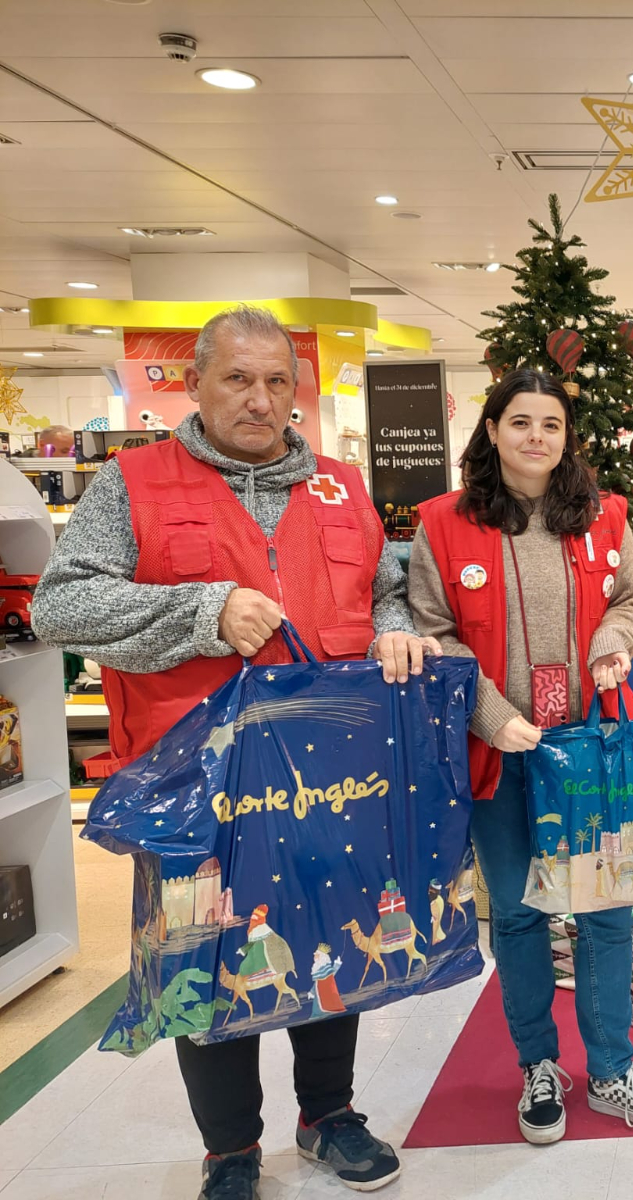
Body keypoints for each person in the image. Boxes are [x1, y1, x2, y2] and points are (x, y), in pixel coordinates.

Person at [32, 305, 435, 1198]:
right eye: (238, 379)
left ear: (297, 391)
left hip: (331, 779)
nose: (259, 400)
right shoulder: (131, 484)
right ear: (195, 384)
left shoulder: (341, 485)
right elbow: (59, 606)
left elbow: (385, 588)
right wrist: (200, 609)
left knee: (330, 941)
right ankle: (230, 1150)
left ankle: (329, 1115)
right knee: (204, 960)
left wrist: (395, 628)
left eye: (276, 382)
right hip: (191, 785)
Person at [408, 367, 633, 1146]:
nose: (536, 437)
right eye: (521, 422)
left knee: (607, 909)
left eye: (551, 424)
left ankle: (612, 1067)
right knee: (518, 912)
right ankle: (538, 1064)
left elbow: (632, 600)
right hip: (500, 753)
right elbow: (432, 631)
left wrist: (611, 645)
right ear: (493, 430)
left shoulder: (603, 515)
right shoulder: (443, 525)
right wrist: (491, 715)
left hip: (590, 752)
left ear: (568, 438)